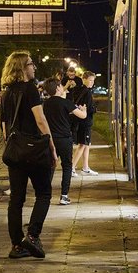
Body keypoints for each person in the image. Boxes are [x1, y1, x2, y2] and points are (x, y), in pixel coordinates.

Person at [2, 51, 56, 259]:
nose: (34, 67)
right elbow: (40, 120)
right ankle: (32, 236)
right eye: (31, 64)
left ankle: (17, 245)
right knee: (44, 193)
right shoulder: (31, 90)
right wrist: (51, 146)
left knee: (16, 198)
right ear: (22, 68)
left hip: (15, 151)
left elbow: (5, 127)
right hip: (34, 148)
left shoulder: (7, 93)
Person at [41, 77, 86, 205]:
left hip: (50, 140)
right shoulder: (65, 102)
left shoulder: (46, 104)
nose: (62, 88)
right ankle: (64, 195)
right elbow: (82, 116)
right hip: (65, 139)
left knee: (50, 167)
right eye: (61, 86)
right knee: (67, 166)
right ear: (57, 88)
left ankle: (46, 194)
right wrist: (84, 110)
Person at [69, 71, 98, 176]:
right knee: (82, 144)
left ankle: (85, 167)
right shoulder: (87, 92)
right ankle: (72, 168)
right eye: (90, 80)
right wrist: (95, 109)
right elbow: (89, 108)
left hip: (80, 121)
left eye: (93, 80)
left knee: (87, 144)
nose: (92, 82)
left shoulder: (78, 90)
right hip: (85, 122)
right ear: (84, 79)